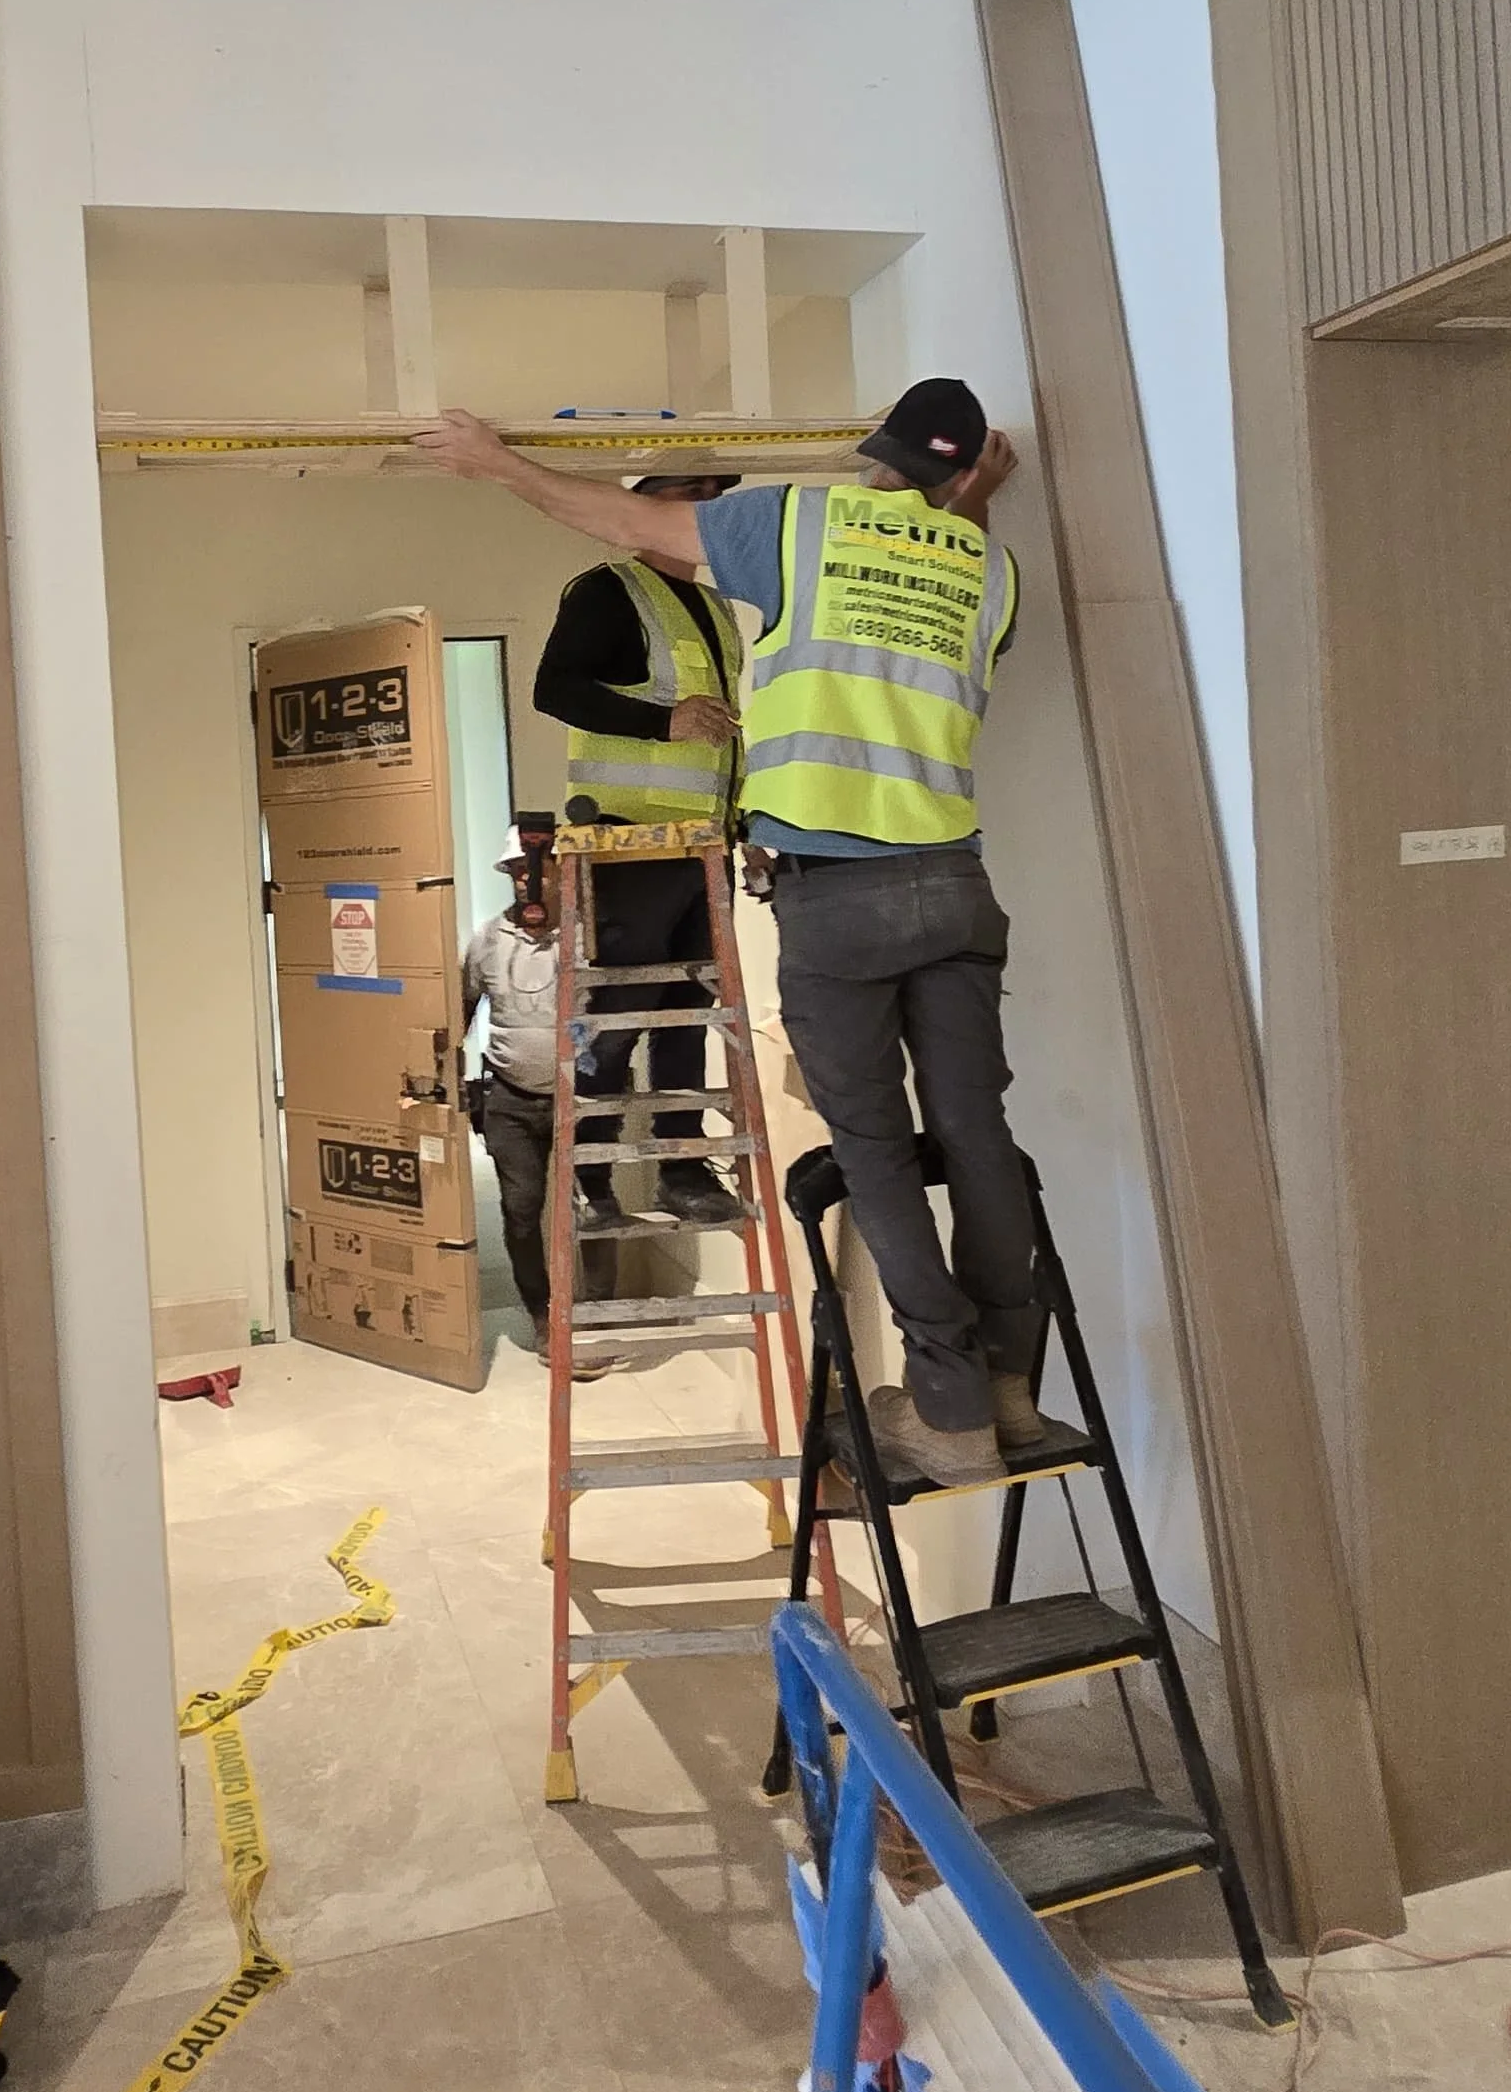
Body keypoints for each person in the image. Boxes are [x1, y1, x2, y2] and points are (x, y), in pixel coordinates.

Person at [416, 382, 1072, 1489]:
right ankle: (1008, 1383)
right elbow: (928, 588)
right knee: (974, 1134)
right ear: (968, 478)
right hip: (954, 883)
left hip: (838, 894)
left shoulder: (804, 526)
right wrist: (972, 505)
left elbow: (626, 517)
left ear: (876, 456)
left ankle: (949, 1404)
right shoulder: (987, 566)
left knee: (872, 1149)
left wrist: (495, 464)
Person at [533, 467, 745, 1238]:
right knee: (622, 1009)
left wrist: (742, 829)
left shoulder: (714, 609)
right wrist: (665, 723)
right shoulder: (609, 591)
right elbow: (554, 690)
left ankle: (683, 1166)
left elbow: (722, 734)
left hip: (701, 844)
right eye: (692, 492)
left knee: (689, 1011)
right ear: (643, 502)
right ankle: (590, 1168)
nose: (708, 508)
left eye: (713, 495)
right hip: (631, 840)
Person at [458, 833, 607, 1373]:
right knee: (523, 1212)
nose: (529, 878)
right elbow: (461, 1008)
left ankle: (592, 1317)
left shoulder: (587, 936)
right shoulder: (488, 940)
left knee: (593, 1207)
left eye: (539, 868)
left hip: (581, 1099)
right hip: (510, 1100)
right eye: (519, 870)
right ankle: (544, 1319)